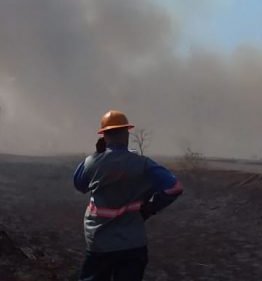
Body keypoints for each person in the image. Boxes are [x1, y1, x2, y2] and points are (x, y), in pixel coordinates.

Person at [73, 110, 183, 281]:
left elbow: (80, 185)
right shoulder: (143, 164)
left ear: (103, 136)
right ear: (127, 134)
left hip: (100, 242)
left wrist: (97, 155)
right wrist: (151, 207)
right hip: (133, 242)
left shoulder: (92, 162)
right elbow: (174, 187)